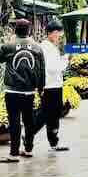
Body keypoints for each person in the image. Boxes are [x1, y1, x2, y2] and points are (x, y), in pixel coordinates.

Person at [0, 20, 44, 163]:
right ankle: (28, 149)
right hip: (29, 91)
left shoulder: (9, 45)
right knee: (29, 120)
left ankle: (14, 153)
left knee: (14, 121)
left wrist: (10, 43)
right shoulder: (37, 47)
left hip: (12, 91)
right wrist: (41, 88)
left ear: (15, 30)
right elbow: (42, 69)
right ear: (29, 30)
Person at [34, 22, 71, 153]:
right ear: (53, 33)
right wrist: (65, 61)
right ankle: (30, 134)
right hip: (50, 85)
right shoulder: (47, 48)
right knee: (48, 114)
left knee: (51, 114)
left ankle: (53, 141)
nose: (59, 36)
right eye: (58, 33)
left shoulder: (49, 47)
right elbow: (52, 68)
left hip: (53, 84)